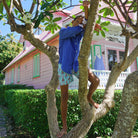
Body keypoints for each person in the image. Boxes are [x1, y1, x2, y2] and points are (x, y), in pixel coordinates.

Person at [57, 0, 100, 137]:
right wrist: (86, 25)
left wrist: (86, 8)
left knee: (96, 81)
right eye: (78, 20)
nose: (81, 22)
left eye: (81, 21)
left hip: (77, 65)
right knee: (64, 96)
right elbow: (84, 25)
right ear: (72, 22)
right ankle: (64, 127)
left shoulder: (79, 33)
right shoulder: (64, 31)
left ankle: (89, 97)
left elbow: (87, 23)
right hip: (64, 66)